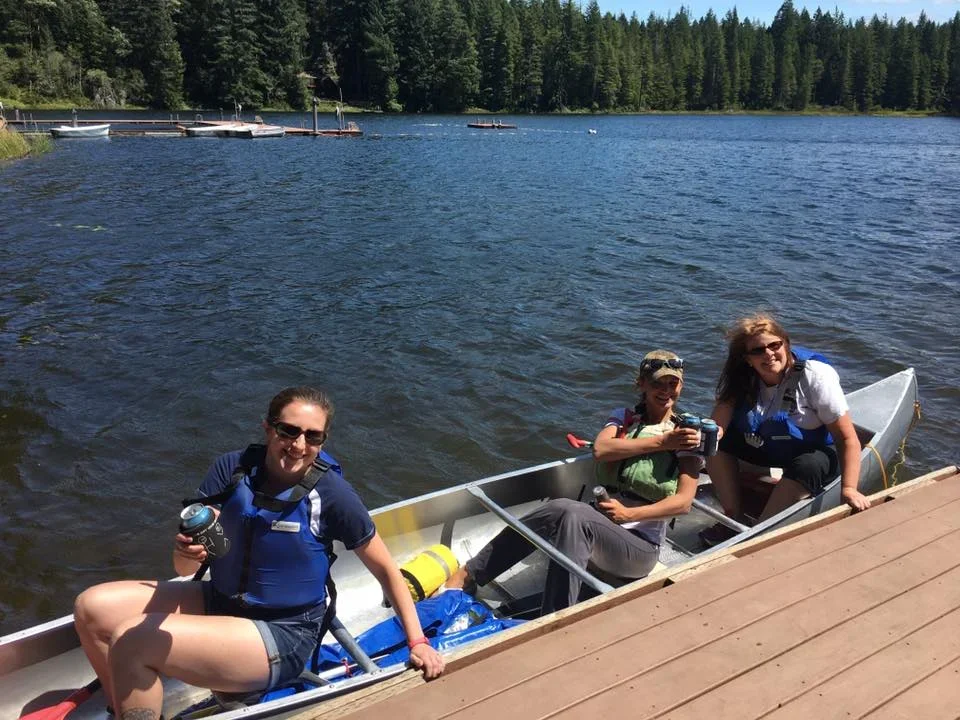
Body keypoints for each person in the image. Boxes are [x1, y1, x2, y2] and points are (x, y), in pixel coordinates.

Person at [73, 386, 444, 720]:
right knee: (93, 608)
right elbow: (184, 567)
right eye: (289, 430)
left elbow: (386, 571)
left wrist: (418, 642)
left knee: (133, 640)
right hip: (222, 600)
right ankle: (124, 706)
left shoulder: (333, 495)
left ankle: (139, 689)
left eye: (313, 436)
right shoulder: (232, 469)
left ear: (322, 441)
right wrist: (186, 548)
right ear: (268, 428)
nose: (299, 444)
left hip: (282, 631)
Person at [447, 350, 701, 615]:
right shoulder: (625, 418)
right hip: (597, 532)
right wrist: (661, 442)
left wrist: (630, 514)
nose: (665, 391)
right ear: (641, 384)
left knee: (574, 513)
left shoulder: (687, 435)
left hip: (638, 550)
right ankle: (470, 575)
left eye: (673, 384)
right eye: (657, 383)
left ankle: (555, 617)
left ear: (681, 386)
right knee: (560, 508)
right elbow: (601, 449)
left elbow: (683, 503)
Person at [700, 314, 868, 547]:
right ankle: (733, 516)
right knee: (713, 444)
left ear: (786, 345)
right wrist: (708, 436)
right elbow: (719, 423)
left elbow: (847, 438)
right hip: (771, 444)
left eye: (774, 345)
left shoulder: (815, 376)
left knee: (807, 466)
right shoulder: (743, 378)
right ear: (747, 359)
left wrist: (849, 489)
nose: (768, 354)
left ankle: (758, 532)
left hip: (816, 451)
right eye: (758, 351)